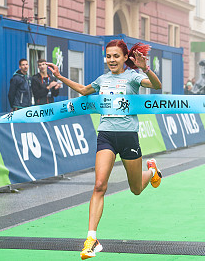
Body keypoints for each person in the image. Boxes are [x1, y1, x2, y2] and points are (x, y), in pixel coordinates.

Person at [47, 40, 163, 260]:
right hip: (106, 135)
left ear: (124, 57)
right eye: (108, 56)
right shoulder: (102, 80)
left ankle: (152, 172)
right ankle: (92, 239)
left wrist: (145, 67)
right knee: (99, 184)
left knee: (136, 188)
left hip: (128, 136)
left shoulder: (133, 76)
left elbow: (156, 86)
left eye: (116, 56)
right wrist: (60, 77)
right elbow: (83, 90)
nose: (111, 60)